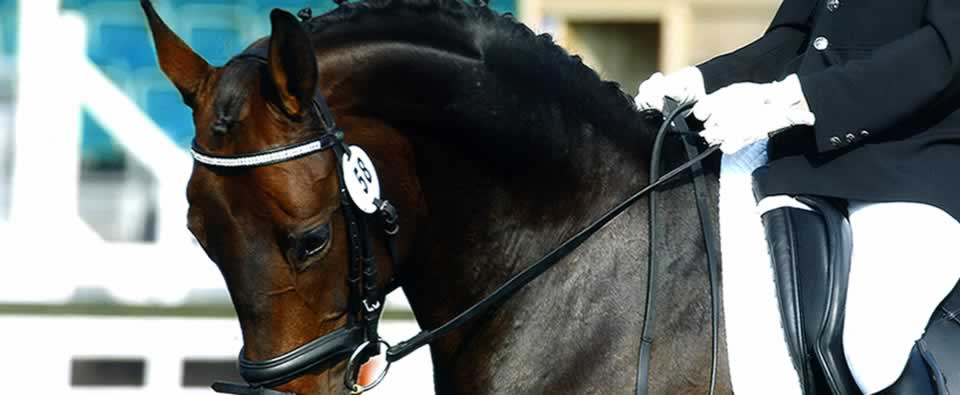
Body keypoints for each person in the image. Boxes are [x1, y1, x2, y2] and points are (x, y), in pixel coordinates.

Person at [635, 0, 960, 394]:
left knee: (870, 345)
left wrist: (799, 101)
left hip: (915, 164)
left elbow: (945, 50)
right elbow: (796, 38)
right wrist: (700, 80)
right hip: (804, 157)